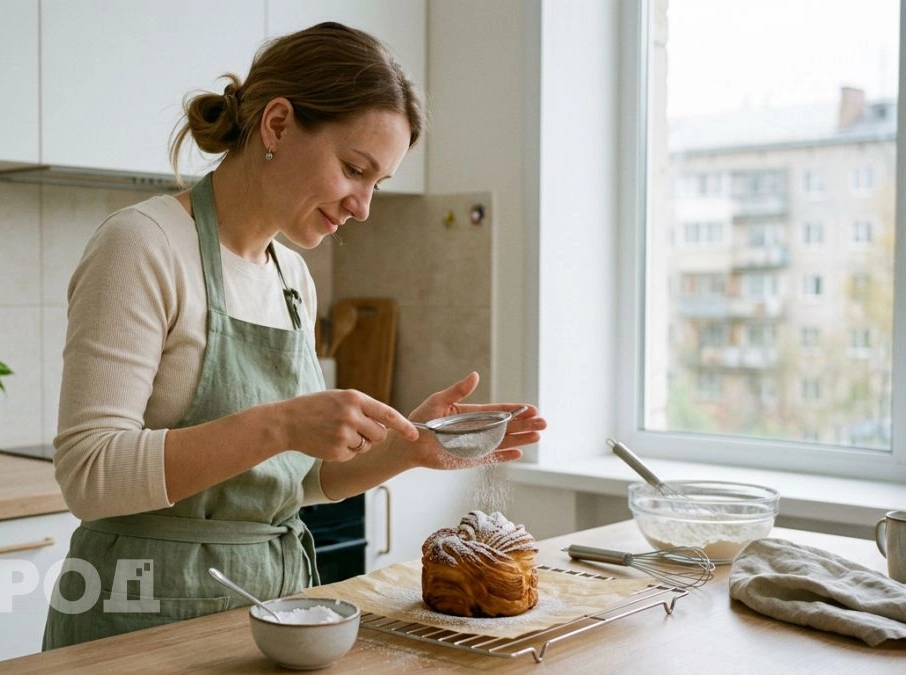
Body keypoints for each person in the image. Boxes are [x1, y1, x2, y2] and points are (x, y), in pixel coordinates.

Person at [42, 21, 547, 649]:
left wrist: (407, 449)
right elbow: (87, 473)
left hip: (271, 608)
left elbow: (294, 482)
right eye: (354, 169)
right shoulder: (142, 245)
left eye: (377, 183)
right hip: (135, 614)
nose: (363, 205)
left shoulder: (292, 278)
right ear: (277, 125)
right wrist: (279, 424)